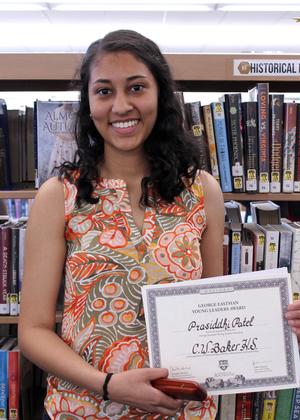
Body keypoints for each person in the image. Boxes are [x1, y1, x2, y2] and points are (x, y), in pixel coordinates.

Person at [18, 29, 300, 420]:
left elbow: (213, 309)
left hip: (181, 410)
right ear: (88, 102)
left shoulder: (202, 191)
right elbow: (32, 331)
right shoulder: (59, 196)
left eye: (136, 88)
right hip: (85, 408)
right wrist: (107, 384)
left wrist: (277, 323)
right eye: (103, 91)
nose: (120, 106)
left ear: (160, 95)